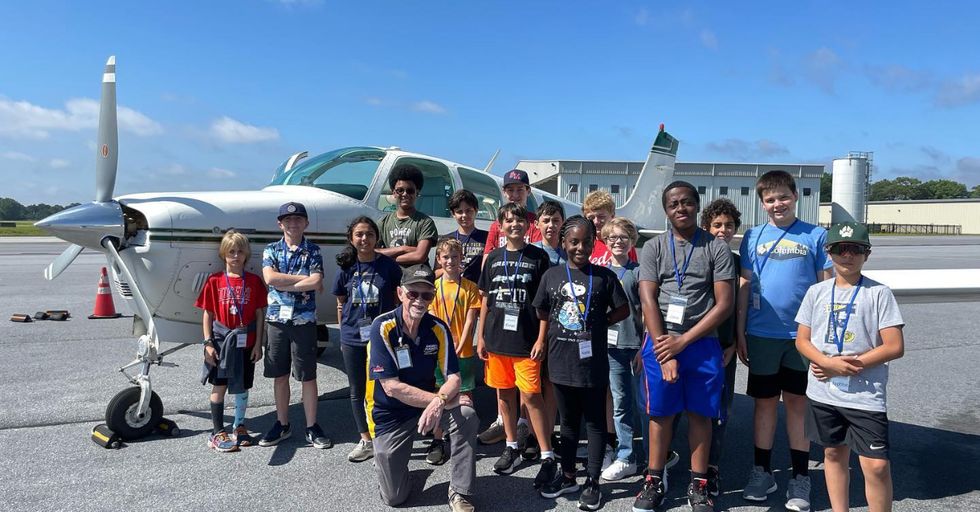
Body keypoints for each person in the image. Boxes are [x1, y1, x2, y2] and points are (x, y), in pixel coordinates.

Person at [633, 182, 735, 512]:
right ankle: (653, 481)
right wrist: (666, 351)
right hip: (661, 340)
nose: (681, 208)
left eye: (687, 202)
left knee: (701, 414)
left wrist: (684, 341)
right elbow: (648, 299)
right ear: (666, 211)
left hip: (701, 343)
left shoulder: (716, 248)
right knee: (660, 414)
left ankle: (699, 484)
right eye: (674, 204)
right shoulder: (654, 247)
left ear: (697, 206)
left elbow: (724, 304)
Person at [736, 170, 833, 509]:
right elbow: (745, 285)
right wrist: (740, 331)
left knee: (797, 404)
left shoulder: (816, 235)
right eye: (770, 199)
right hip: (762, 334)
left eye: (783, 197)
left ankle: (800, 478)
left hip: (802, 337)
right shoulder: (753, 236)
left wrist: (824, 337)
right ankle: (762, 472)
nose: (777, 204)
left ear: (795, 196)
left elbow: (826, 286)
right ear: (762, 204)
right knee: (764, 404)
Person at [795, 222, 905, 512]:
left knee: (877, 466)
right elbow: (802, 340)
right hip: (823, 393)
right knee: (833, 454)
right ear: (828, 253)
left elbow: (894, 346)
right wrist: (826, 363)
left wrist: (845, 366)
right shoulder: (816, 292)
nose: (847, 255)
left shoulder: (879, 293)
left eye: (856, 248)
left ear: (867, 254)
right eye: (840, 248)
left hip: (865, 397)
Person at [532, 215, 629, 510]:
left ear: (593, 243)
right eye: (574, 242)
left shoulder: (604, 277)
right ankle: (568, 476)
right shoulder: (551, 276)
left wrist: (601, 323)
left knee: (596, 423)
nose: (581, 247)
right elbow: (542, 310)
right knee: (569, 424)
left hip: (593, 364)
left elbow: (623, 309)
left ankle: (593, 481)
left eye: (587, 242)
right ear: (564, 243)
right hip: (561, 362)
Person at [366, 264, 479, 512]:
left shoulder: (438, 328)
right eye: (412, 293)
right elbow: (391, 388)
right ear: (400, 293)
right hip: (390, 413)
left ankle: (460, 491)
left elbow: (454, 378)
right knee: (394, 498)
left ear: (432, 298)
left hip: (427, 406)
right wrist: (439, 400)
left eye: (426, 295)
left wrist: (440, 401)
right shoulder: (382, 327)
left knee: (467, 415)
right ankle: (396, 471)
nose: (419, 300)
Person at [476, 202, 555, 487]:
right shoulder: (494, 257)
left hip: (526, 342)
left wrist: (542, 338)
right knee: (504, 397)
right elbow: (486, 299)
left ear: (528, 225)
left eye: (520, 220)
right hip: (497, 341)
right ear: (500, 226)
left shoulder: (538, 257)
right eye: (509, 221)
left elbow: (545, 304)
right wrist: (480, 336)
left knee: (532, 397)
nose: (514, 225)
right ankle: (511, 447)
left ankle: (547, 455)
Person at [478, 169, 543, 450]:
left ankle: (528, 429)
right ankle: (505, 428)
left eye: (520, 189)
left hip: (525, 319)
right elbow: (487, 268)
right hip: (500, 315)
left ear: (528, 191)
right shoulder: (496, 230)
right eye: (510, 190)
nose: (515, 194)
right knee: (503, 386)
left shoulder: (535, 225)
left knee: (529, 389)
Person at [259, 202, 331, 449]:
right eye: (288, 220)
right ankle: (282, 424)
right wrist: (304, 280)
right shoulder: (271, 249)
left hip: (304, 320)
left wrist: (285, 284)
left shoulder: (313, 250)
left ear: (306, 223)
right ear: (280, 224)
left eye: (298, 219)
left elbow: (316, 281)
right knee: (279, 375)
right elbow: (270, 278)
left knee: (307, 376)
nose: (293, 223)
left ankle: (311, 426)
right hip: (277, 321)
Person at [332, 215, 402, 462]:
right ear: (351, 238)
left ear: (377, 238)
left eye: (370, 234)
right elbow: (340, 304)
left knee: (385, 386)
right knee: (357, 389)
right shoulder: (346, 267)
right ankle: (366, 439)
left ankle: (386, 434)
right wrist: (343, 335)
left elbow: (398, 300)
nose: (365, 239)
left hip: (381, 337)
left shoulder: (388, 266)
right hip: (353, 336)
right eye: (359, 234)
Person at [196, 229, 266, 452]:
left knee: (243, 386)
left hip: (246, 342)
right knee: (220, 385)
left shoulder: (254, 281)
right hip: (221, 344)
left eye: (240, 252)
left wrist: (258, 344)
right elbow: (207, 314)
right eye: (231, 252)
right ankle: (217, 432)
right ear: (223, 254)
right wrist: (208, 343)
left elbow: (259, 314)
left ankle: (239, 425)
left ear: (246, 255)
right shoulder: (215, 281)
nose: (236, 256)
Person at [425, 238, 482, 465]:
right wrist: (443, 345)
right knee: (439, 392)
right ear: (439, 259)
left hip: (463, 350)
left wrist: (462, 342)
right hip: (440, 350)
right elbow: (432, 319)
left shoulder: (469, 287)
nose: (450, 261)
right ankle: (438, 439)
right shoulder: (433, 287)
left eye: (455, 257)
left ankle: (465, 437)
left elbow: (470, 319)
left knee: (465, 393)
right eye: (446, 257)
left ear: (461, 259)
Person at [598, 217, 644, 482]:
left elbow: (647, 310)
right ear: (605, 241)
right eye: (612, 237)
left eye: (623, 237)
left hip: (636, 346)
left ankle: (656, 454)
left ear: (632, 241)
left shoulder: (639, 271)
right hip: (611, 347)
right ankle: (626, 454)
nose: (618, 242)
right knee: (620, 403)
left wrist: (645, 345)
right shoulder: (600, 272)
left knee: (645, 404)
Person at [377, 163, 439, 268]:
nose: (405, 194)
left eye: (410, 191)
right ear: (394, 192)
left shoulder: (425, 222)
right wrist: (404, 249)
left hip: (415, 275)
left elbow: (420, 256)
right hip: (390, 274)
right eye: (400, 190)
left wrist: (385, 258)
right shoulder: (383, 222)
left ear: (417, 193)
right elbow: (373, 252)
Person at [436, 190, 489, 284]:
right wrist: (450, 269)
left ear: (476, 211)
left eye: (469, 211)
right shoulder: (445, 240)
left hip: (478, 290)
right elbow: (435, 273)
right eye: (459, 212)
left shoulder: (487, 237)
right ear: (453, 214)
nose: (464, 215)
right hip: (453, 289)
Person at [582, 190, 637, 266]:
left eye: (601, 217)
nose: (596, 222)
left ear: (612, 215)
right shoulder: (583, 244)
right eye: (591, 217)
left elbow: (632, 271)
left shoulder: (622, 245)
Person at [531, 200, 567, 267]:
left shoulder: (570, 252)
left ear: (563, 223)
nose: (551, 225)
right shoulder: (530, 251)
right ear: (537, 224)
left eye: (556, 220)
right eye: (546, 221)